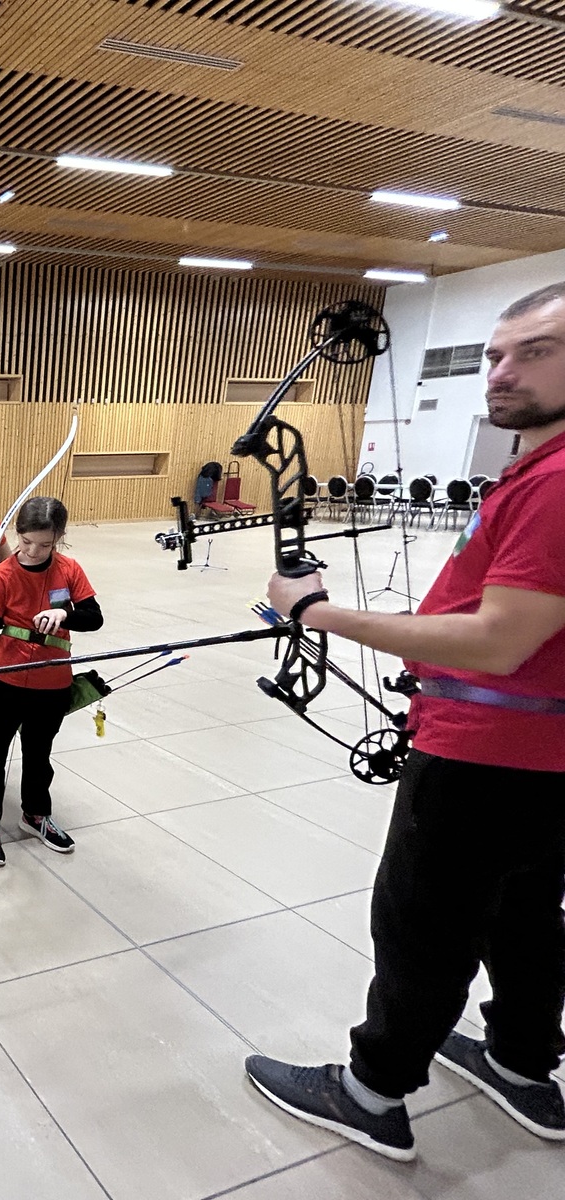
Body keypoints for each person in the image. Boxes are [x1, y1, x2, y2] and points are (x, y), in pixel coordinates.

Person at [243, 281, 565, 1161]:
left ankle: (371, 1092)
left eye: (535, 352)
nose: (501, 372)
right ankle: (523, 1064)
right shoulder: (536, 472)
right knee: (525, 915)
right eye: (494, 355)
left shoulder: (555, 484)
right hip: (540, 762)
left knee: (424, 924)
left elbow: (499, 640)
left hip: (486, 758)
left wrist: (318, 613)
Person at [0, 498, 100, 865]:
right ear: (18, 534)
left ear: (58, 538)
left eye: (44, 545)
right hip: (7, 679)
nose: (32, 551)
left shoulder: (69, 570)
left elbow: (93, 617)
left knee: (39, 754)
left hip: (52, 681)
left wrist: (64, 615)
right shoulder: (3, 573)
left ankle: (35, 814)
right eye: (26, 541)